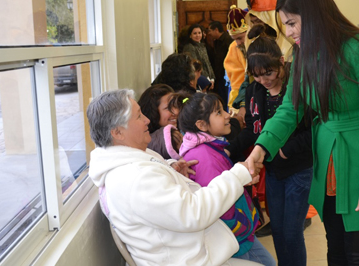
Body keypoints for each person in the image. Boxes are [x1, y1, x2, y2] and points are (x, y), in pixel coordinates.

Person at [245, 0, 359, 265]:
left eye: (292, 23)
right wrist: (261, 148)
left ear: (313, 14)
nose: (288, 33)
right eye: (285, 25)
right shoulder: (304, 54)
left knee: (358, 254)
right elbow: (290, 110)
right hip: (329, 162)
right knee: (335, 248)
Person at [87, 89, 263, 266]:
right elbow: (193, 214)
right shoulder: (135, 179)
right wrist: (237, 175)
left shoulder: (129, 161)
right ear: (118, 132)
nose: (147, 120)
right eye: (139, 116)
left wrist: (170, 169)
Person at [227, 36, 313, 266]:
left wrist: (286, 149)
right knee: (277, 228)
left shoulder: (297, 87)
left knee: (292, 232)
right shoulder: (255, 91)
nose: (263, 79)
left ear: (281, 63)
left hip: (299, 168)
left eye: (268, 73)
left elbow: (314, 131)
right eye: (256, 75)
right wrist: (228, 149)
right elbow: (254, 131)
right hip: (274, 171)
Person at [177, 92, 276, 266]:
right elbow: (221, 204)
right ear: (201, 124)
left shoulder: (208, 148)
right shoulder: (205, 157)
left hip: (236, 236)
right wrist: (243, 226)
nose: (227, 115)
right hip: (237, 238)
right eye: (218, 112)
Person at [138, 84, 180, 158]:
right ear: (153, 112)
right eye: (168, 108)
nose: (176, 112)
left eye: (176, 105)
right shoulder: (148, 146)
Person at [224, 5, 249, 112]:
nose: (238, 43)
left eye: (240, 38)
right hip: (240, 94)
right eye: (234, 39)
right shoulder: (234, 47)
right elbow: (237, 81)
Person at [206, 21, 234, 108]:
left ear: (216, 30)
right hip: (219, 76)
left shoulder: (229, 40)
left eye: (210, 30)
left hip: (227, 76)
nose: (208, 33)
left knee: (227, 98)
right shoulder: (216, 42)